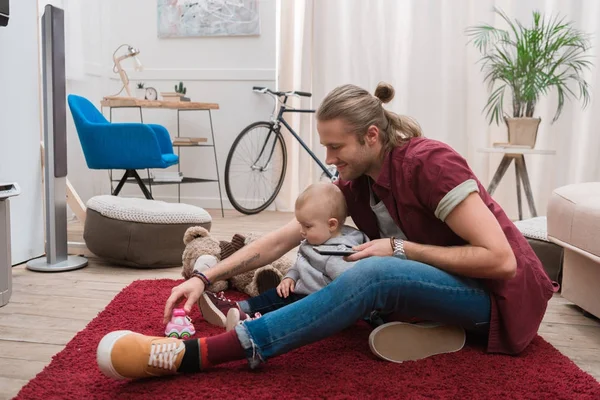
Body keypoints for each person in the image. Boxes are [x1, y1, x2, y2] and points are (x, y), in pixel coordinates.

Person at [95, 82, 556, 380]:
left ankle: (199, 355)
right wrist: (203, 277)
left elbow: (500, 260)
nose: (330, 158)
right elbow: (285, 236)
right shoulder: (358, 182)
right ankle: (428, 326)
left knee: (374, 271)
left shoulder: (430, 164)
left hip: (496, 300)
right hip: (445, 289)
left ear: (371, 136)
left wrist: (397, 248)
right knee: (355, 267)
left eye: (337, 147)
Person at [198, 182, 369, 331]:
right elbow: (300, 264)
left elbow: (350, 287)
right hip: (301, 291)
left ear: (332, 224)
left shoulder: (340, 254)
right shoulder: (317, 238)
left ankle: (247, 320)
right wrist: (290, 277)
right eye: (300, 224)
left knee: (281, 309)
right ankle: (235, 309)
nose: (302, 231)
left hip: (316, 304)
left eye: (307, 226)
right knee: (275, 295)